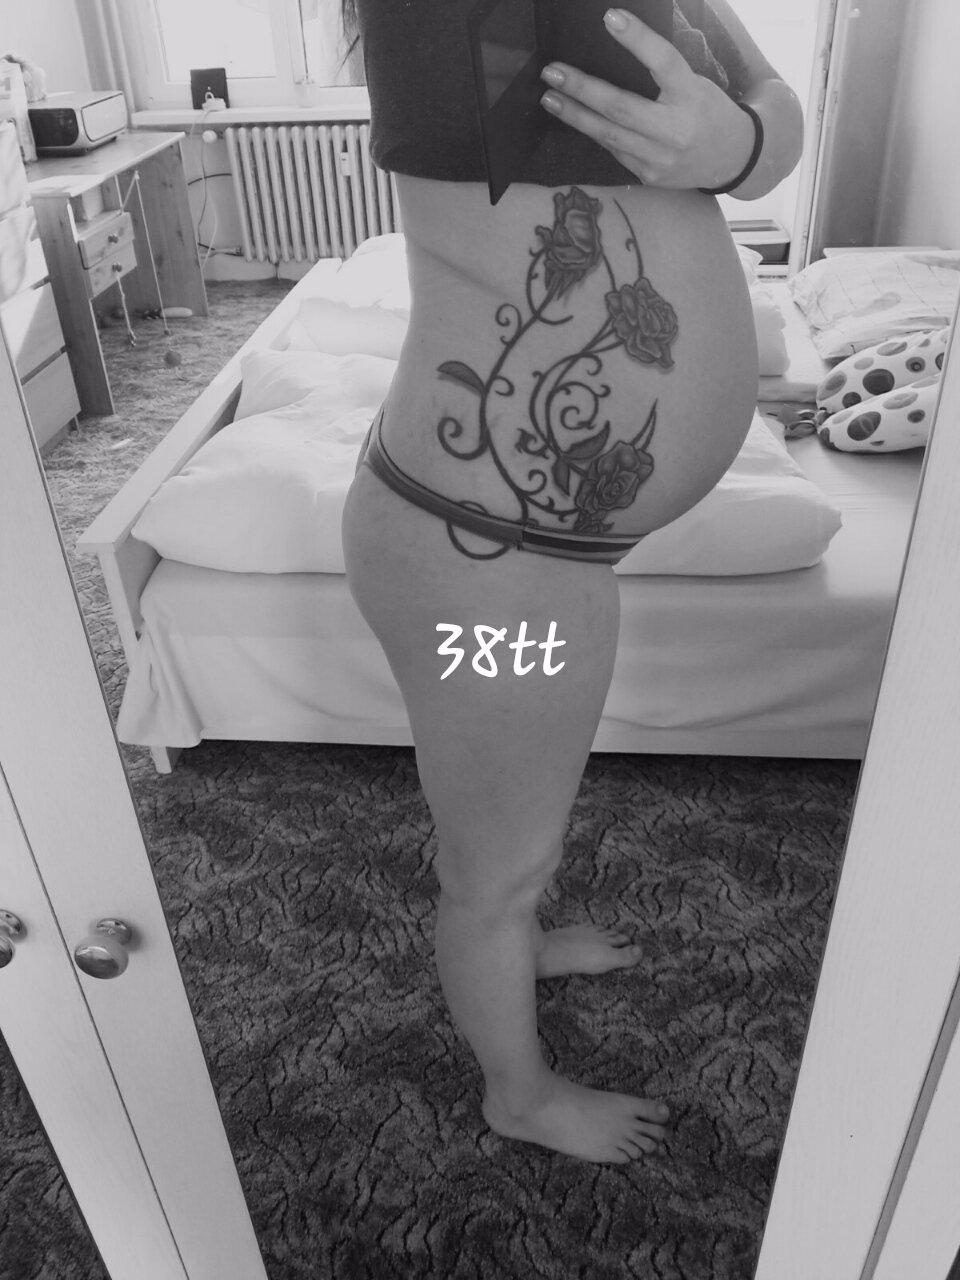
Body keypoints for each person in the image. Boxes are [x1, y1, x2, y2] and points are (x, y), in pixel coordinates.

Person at [341, 0, 804, 1164]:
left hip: (531, 550)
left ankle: (520, 935)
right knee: (497, 863)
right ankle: (521, 1091)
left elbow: (775, 110)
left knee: (512, 797)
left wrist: (740, 145)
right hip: (488, 561)